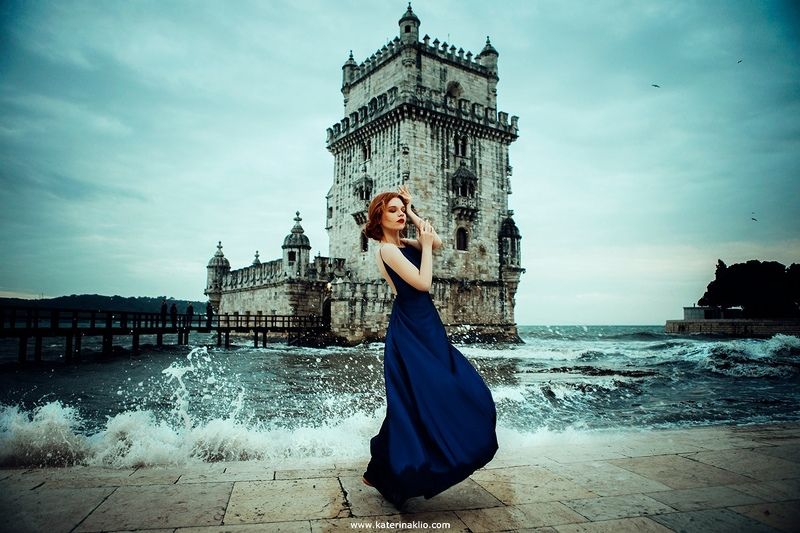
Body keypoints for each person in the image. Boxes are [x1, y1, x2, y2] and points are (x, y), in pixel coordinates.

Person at [361, 185, 498, 508]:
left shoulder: (403, 242)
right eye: (392, 210)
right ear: (379, 216)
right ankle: (389, 470)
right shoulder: (387, 250)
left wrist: (412, 210)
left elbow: (435, 242)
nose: (399, 215)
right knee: (420, 396)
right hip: (411, 329)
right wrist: (422, 244)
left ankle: (379, 469)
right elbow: (423, 283)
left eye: (400, 210)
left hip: (426, 326)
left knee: (436, 391)